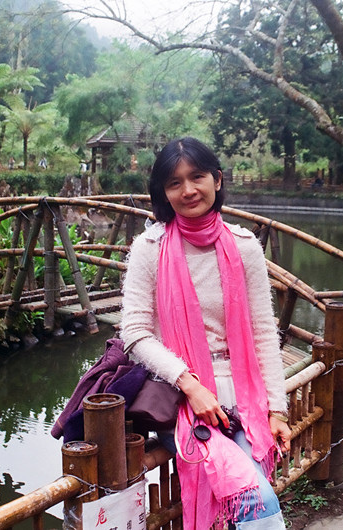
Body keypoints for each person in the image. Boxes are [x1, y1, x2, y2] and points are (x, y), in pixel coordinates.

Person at [120, 137, 291, 529]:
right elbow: (135, 333)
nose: (188, 190)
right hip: (183, 403)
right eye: (175, 182)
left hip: (244, 401)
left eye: (197, 177)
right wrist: (191, 385)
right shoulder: (150, 247)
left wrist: (277, 410)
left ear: (217, 179)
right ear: (163, 192)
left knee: (247, 497)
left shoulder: (244, 246)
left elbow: (264, 333)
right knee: (255, 496)